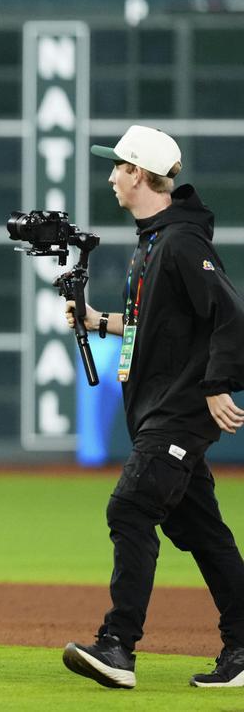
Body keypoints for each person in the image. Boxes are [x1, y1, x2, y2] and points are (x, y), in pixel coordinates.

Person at [62, 125, 244, 689]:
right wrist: (97, 322)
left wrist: (218, 384)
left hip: (178, 413)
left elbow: (231, 316)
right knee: (205, 534)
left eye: (118, 166)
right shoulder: (155, 241)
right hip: (160, 410)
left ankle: (118, 645)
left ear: (139, 173)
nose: (112, 175)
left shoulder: (182, 244)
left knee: (131, 511)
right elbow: (153, 327)